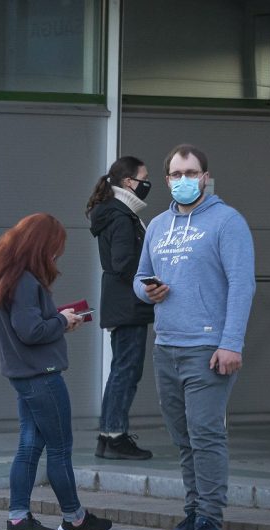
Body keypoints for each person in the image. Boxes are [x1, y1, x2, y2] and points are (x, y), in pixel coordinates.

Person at [134, 144, 255, 530]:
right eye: (176, 174)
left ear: (205, 176)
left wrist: (231, 343)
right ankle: (193, 512)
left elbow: (242, 285)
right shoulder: (156, 226)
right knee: (183, 437)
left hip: (208, 348)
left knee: (205, 435)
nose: (183, 181)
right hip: (166, 344)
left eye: (191, 173)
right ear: (167, 180)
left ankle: (210, 520)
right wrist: (147, 291)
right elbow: (140, 276)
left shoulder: (227, 222)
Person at [0, 213, 113, 530]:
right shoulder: (25, 282)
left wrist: (56, 317)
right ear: (40, 246)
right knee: (60, 449)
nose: (56, 256)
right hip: (43, 375)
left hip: (23, 374)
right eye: (55, 249)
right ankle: (74, 519)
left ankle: (18, 518)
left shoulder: (2, 274)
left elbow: (25, 325)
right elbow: (31, 330)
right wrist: (63, 321)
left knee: (29, 446)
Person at [87, 156, 155, 460]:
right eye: (144, 178)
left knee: (121, 369)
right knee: (126, 371)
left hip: (120, 302)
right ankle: (115, 435)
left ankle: (108, 434)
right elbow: (124, 263)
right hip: (128, 303)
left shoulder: (114, 212)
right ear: (129, 182)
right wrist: (151, 282)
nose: (146, 184)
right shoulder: (122, 216)